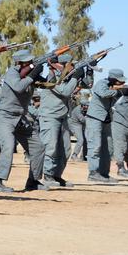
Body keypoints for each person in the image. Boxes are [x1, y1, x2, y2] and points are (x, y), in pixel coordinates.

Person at [0, 50, 47, 193]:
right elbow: (19, 87)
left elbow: (48, 84)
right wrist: (32, 74)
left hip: (21, 118)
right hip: (6, 117)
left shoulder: (28, 74)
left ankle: (33, 181)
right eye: (28, 62)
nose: (31, 64)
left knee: (38, 147)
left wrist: (54, 70)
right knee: (8, 147)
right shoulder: (12, 73)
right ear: (19, 63)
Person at [37, 53, 83, 187]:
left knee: (65, 149)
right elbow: (65, 91)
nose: (72, 67)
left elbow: (86, 85)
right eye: (70, 65)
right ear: (59, 65)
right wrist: (75, 77)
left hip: (62, 117)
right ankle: (48, 175)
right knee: (50, 147)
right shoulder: (51, 78)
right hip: (50, 117)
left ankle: (57, 175)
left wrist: (87, 73)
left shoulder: (67, 79)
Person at [85, 68, 125, 184]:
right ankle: (93, 173)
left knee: (108, 148)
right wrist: (117, 91)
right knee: (95, 146)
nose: (121, 83)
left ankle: (104, 173)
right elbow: (103, 94)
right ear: (113, 79)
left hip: (106, 119)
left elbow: (114, 100)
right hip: (95, 119)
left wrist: (122, 91)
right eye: (119, 81)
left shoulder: (114, 88)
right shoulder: (101, 84)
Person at [68, 90, 89, 162]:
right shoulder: (77, 110)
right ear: (81, 105)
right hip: (74, 124)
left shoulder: (87, 109)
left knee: (87, 139)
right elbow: (83, 120)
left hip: (80, 125)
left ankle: (84, 157)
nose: (86, 107)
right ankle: (74, 155)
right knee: (81, 140)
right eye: (85, 106)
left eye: (87, 105)